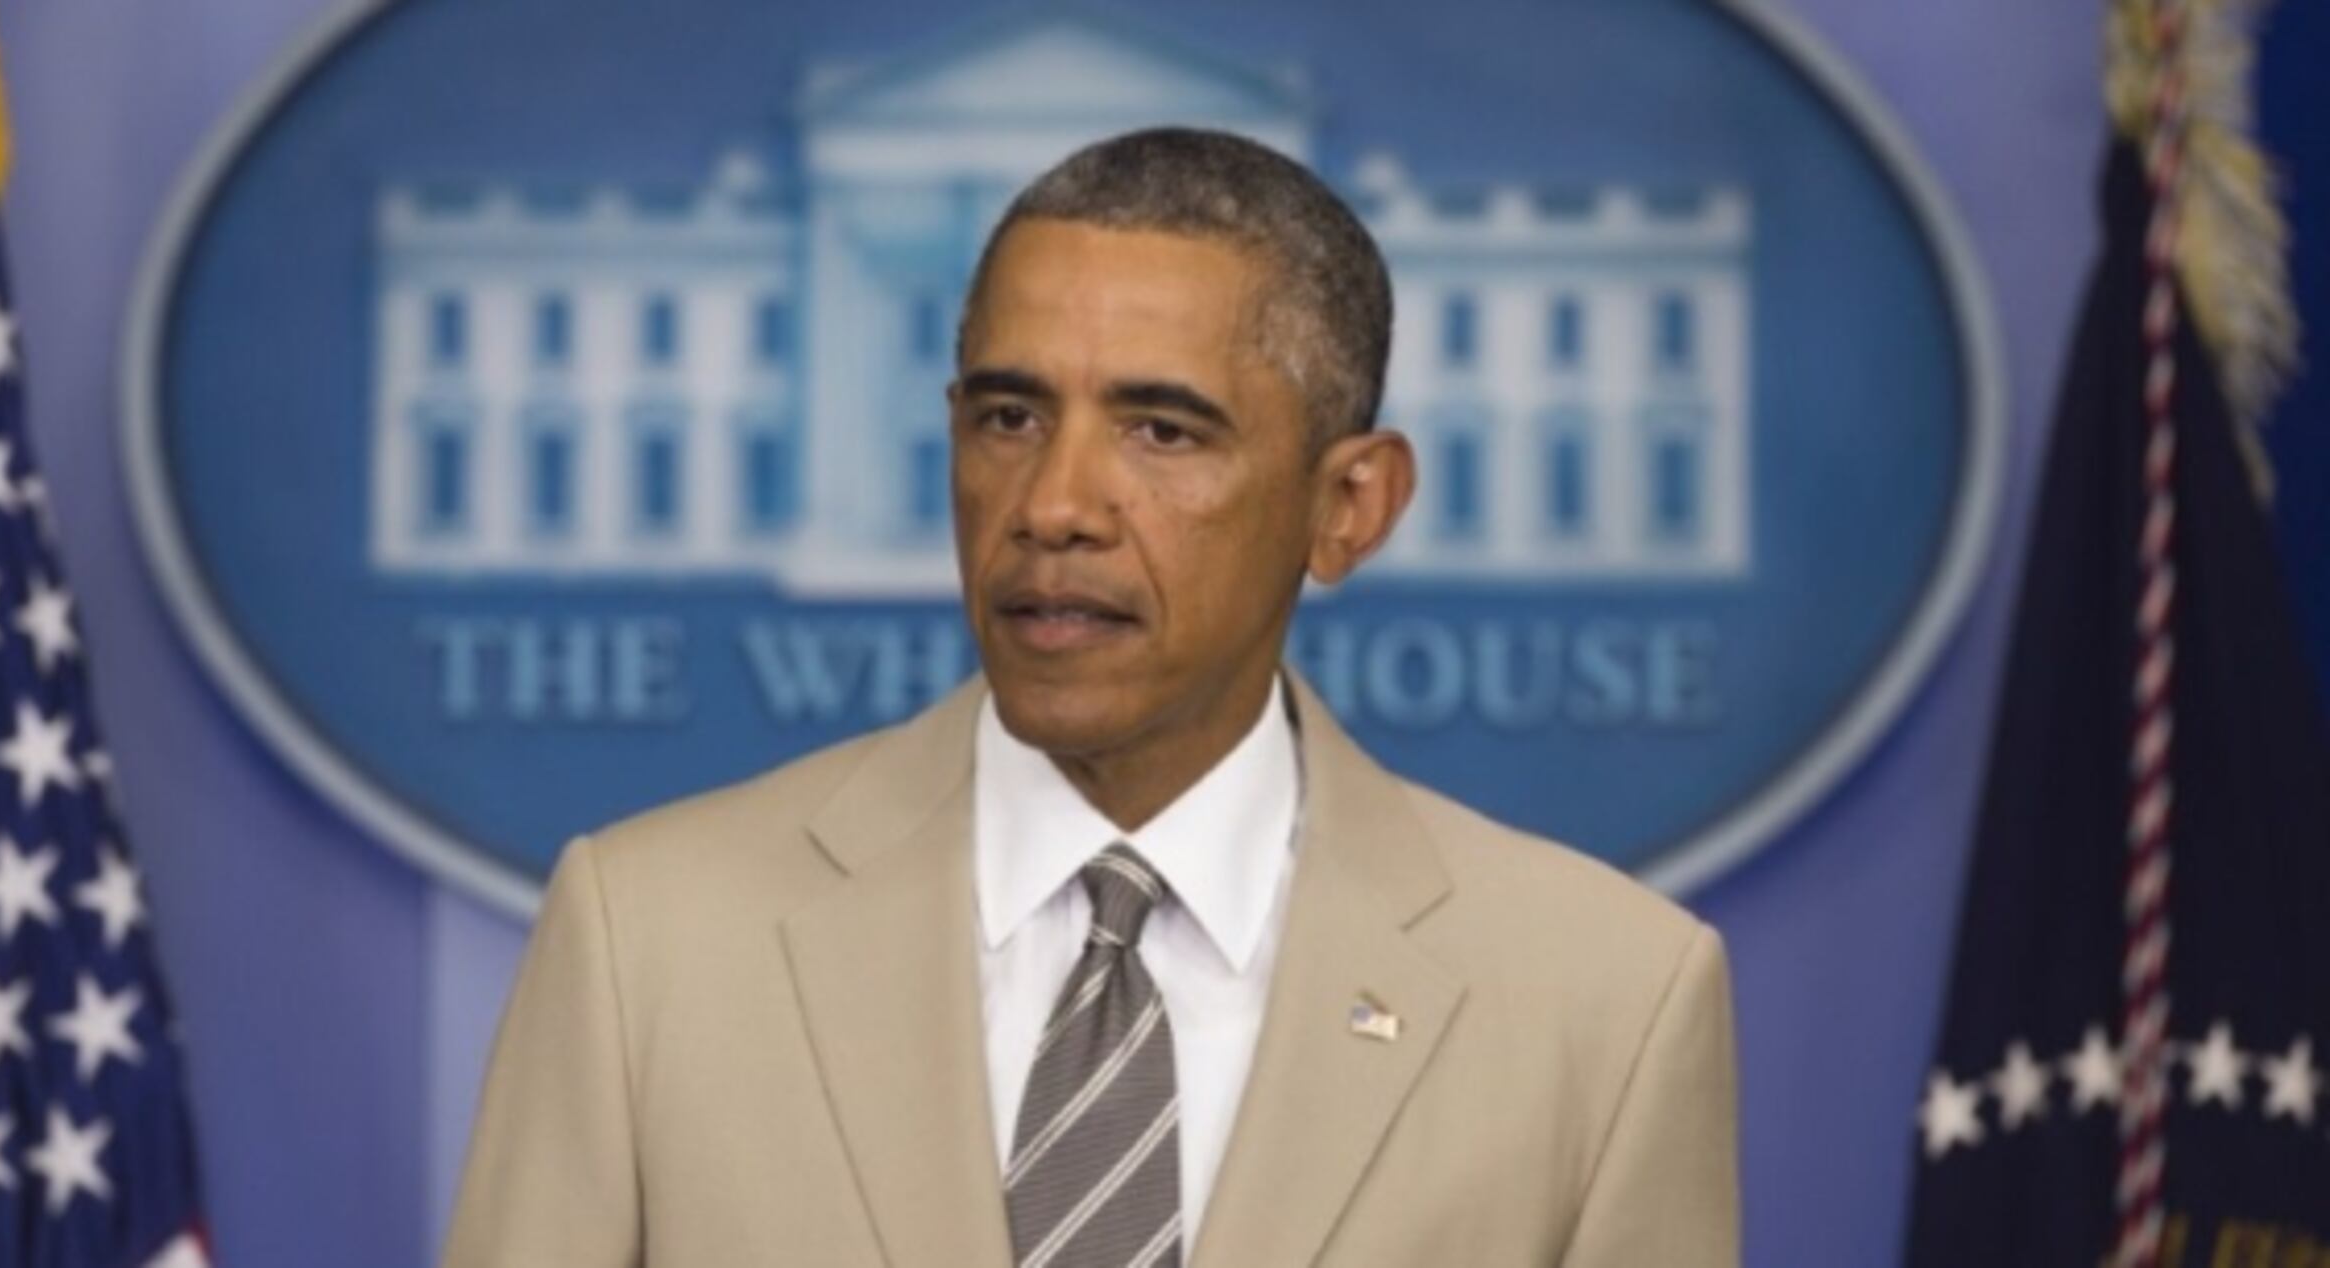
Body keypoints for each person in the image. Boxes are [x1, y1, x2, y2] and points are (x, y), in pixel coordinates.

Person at [444, 126, 1738, 1267]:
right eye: (1009, 418)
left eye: (1161, 431)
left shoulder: (1604, 1003)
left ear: (1349, 506)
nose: (1053, 507)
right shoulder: (649, 940)